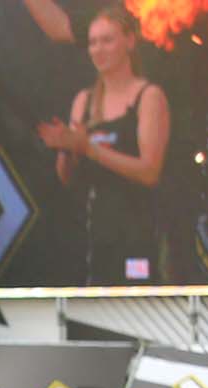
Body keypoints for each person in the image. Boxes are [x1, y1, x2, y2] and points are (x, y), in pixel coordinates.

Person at [37, 6, 169, 287]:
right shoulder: (83, 101)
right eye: (93, 42)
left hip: (138, 239)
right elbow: (66, 178)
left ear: (129, 41)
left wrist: (89, 149)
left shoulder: (149, 96)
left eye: (107, 40)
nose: (98, 49)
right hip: (94, 240)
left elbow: (150, 172)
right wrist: (66, 148)